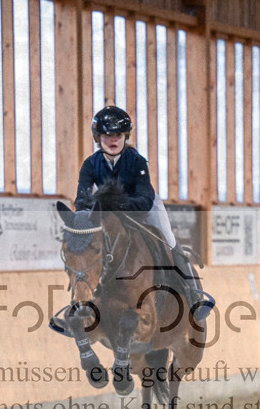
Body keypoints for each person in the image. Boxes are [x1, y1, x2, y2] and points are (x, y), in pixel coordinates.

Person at [76, 105, 213, 321]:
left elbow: (144, 197)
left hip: (144, 209)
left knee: (169, 239)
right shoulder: (90, 165)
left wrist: (118, 206)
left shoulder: (136, 161)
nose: (113, 140)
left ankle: (194, 293)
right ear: (98, 137)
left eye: (118, 135)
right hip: (109, 215)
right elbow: (81, 200)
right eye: (107, 135)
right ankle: (79, 305)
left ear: (125, 136)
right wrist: (88, 217)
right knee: (83, 247)